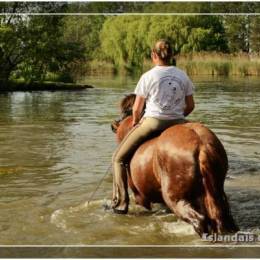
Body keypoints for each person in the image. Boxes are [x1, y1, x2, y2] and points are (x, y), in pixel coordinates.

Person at [112, 39, 195, 214]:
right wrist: (177, 117)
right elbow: (190, 106)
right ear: (172, 56)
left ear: (154, 55)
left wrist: (135, 122)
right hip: (179, 121)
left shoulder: (148, 76)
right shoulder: (183, 75)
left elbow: (136, 108)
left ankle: (120, 203)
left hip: (153, 122)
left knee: (118, 159)